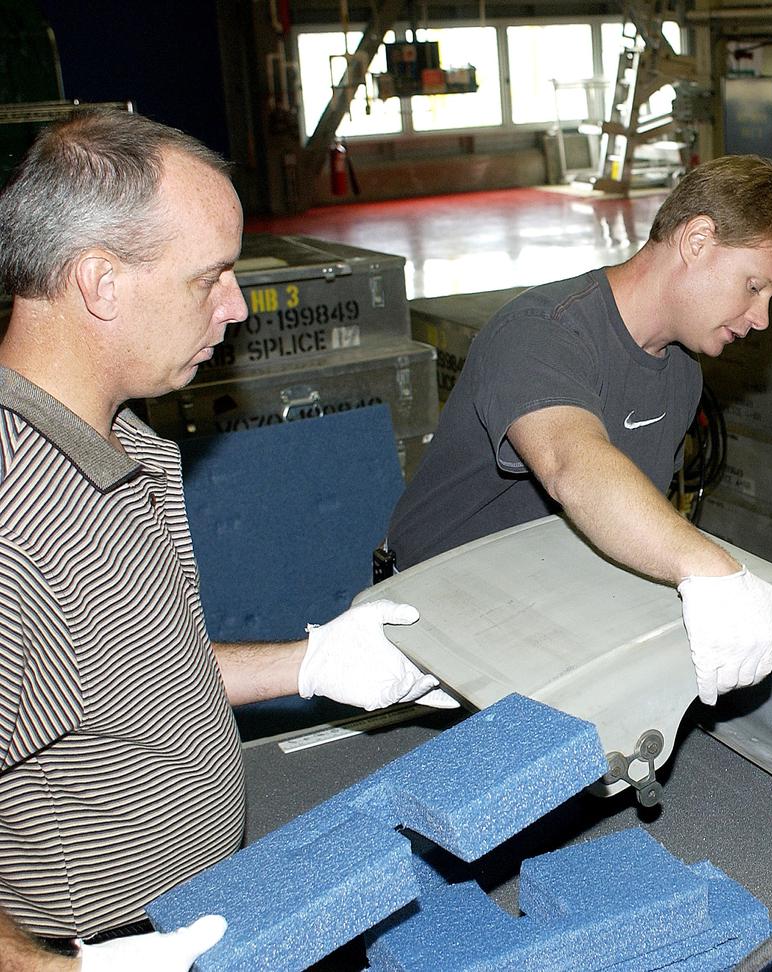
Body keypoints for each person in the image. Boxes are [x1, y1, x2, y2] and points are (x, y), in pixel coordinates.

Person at [0, 108, 453, 971]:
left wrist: (309, 663)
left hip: (200, 902)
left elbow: (108, 675)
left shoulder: (115, 439)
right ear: (100, 283)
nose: (237, 307)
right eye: (209, 278)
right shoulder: (12, 513)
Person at [385, 154, 772, 707]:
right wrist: (711, 569)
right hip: (430, 625)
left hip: (544, 610)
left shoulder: (681, 374)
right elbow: (573, 464)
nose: (761, 319)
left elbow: (627, 520)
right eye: (753, 286)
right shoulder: (541, 333)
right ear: (696, 242)